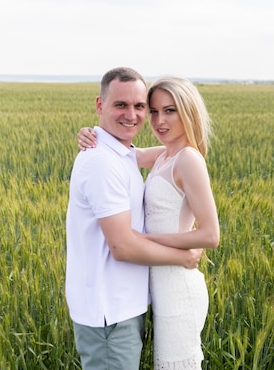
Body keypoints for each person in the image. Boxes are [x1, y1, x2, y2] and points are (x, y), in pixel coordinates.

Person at [78, 76, 220, 369]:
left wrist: (145, 239)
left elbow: (210, 235)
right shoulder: (164, 155)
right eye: (153, 111)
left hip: (179, 288)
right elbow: (119, 152)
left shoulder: (188, 159)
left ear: (187, 111)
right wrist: (89, 133)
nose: (159, 120)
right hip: (162, 286)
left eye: (170, 111)